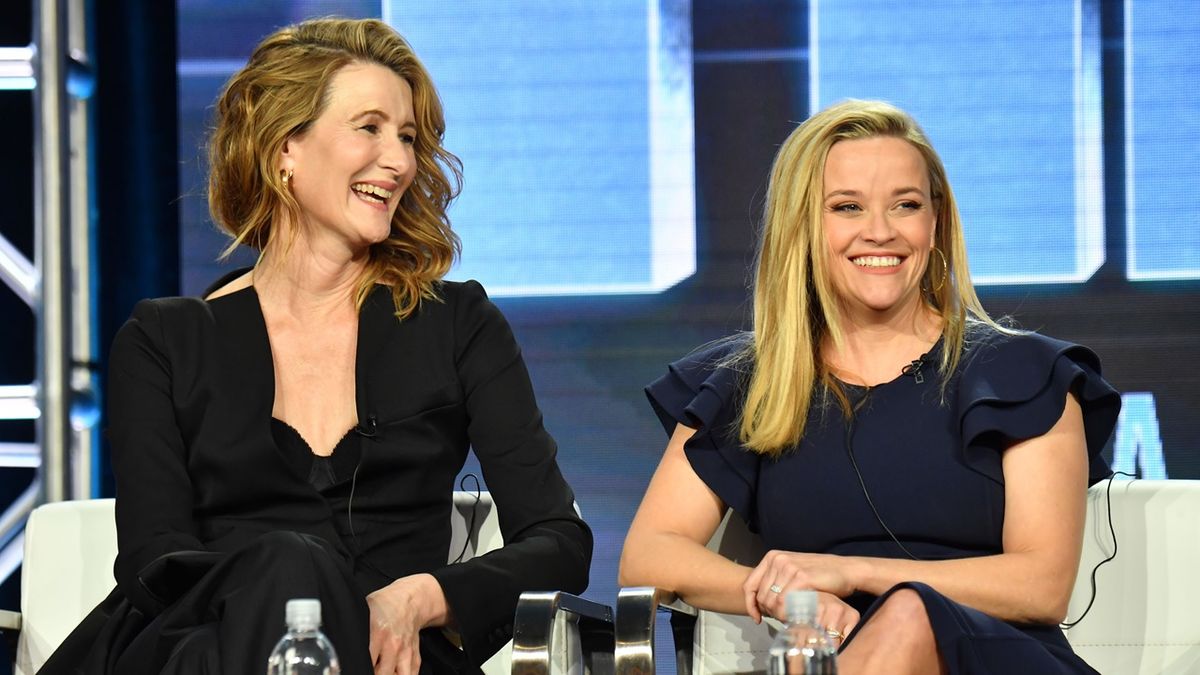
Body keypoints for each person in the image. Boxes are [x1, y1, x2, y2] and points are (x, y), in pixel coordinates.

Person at [42, 17, 591, 675]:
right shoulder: (164, 343)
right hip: (207, 650)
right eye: (370, 128)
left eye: (408, 137)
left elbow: (560, 539)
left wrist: (425, 595)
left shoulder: (458, 325)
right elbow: (155, 562)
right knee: (285, 568)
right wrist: (292, 589)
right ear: (285, 150)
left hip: (394, 660)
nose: (399, 160)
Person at [619, 99, 1120, 674]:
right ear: (804, 227)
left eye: (905, 205)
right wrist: (792, 594)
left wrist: (852, 572)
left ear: (936, 224)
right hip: (837, 658)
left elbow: (1041, 585)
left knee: (909, 613)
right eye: (848, 207)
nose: (880, 232)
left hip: (1002, 658)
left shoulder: (1026, 372)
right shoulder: (749, 384)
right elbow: (648, 555)